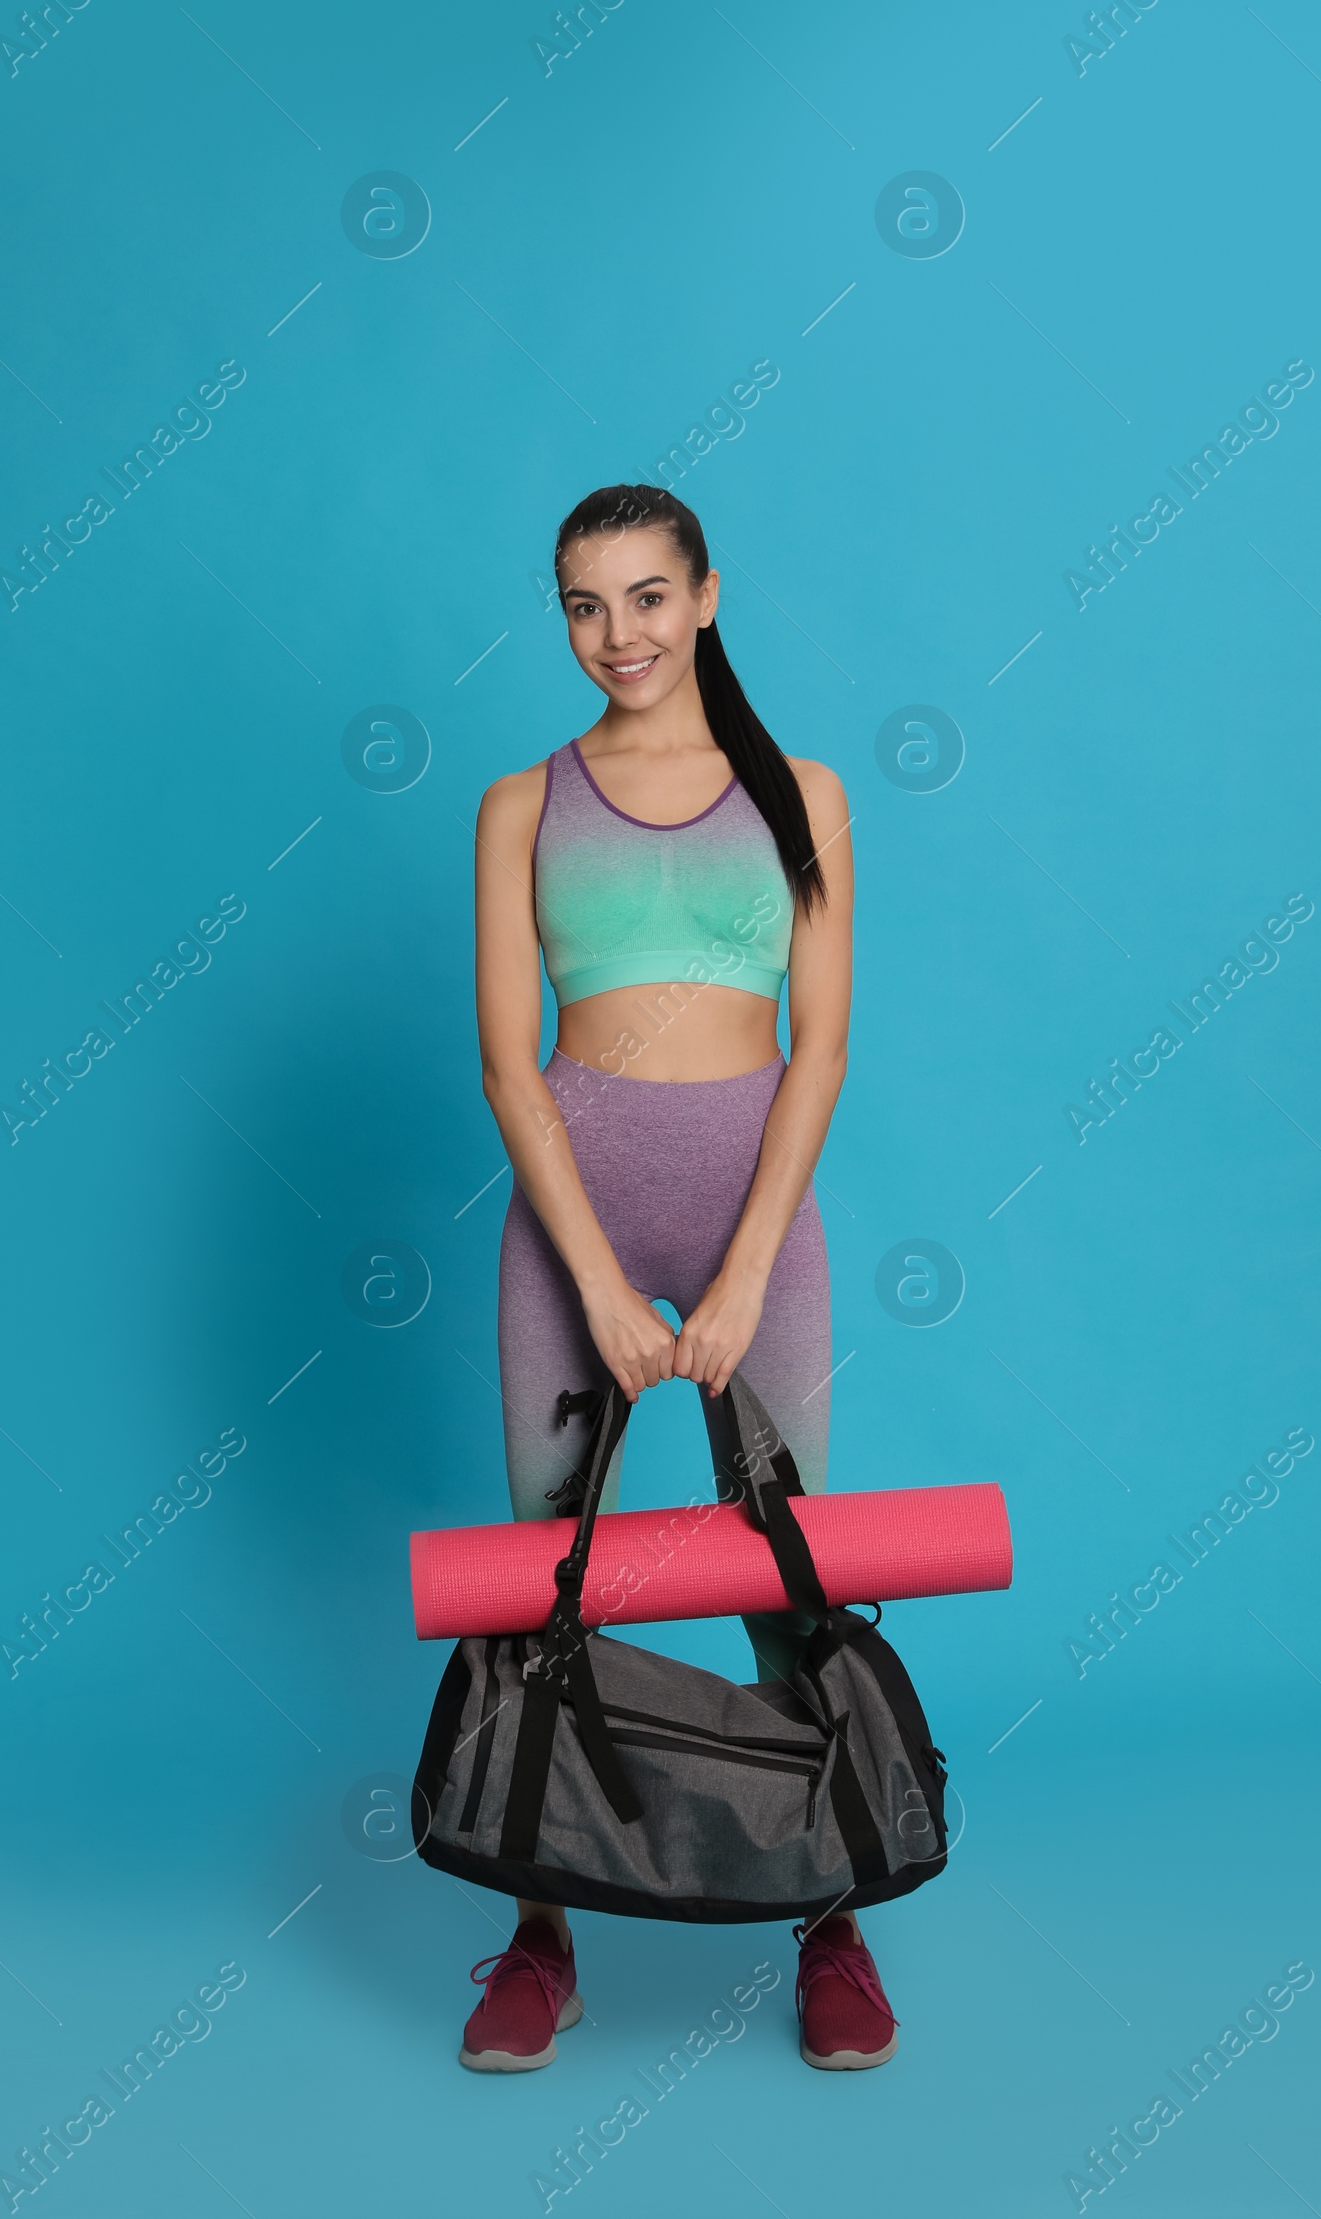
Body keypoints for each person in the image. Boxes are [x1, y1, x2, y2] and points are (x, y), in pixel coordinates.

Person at [460, 484, 895, 2073]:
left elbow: (823, 1046)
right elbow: (511, 1069)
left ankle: (829, 1917)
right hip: (573, 1231)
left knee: (795, 1583)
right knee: (540, 1587)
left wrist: (742, 1271)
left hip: (753, 1234)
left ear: (707, 594)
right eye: (583, 604)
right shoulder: (522, 801)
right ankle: (539, 1934)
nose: (617, 634)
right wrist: (600, 1281)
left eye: (646, 597)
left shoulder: (806, 793)